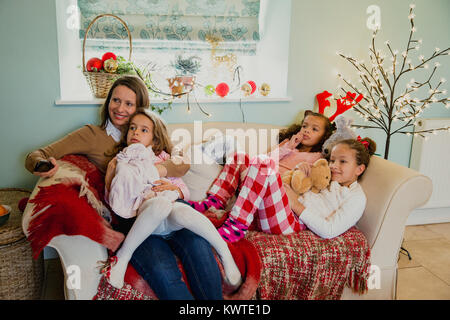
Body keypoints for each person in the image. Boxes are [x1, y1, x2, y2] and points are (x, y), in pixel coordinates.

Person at [25, 75, 224, 300]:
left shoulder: (149, 130)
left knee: (200, 252)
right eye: (115, 100)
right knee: (162, 270)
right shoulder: (92, 134)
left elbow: (182, 162)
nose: (120, 108)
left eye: (129, 104)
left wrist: (163, 176)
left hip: (171, 209)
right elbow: (37, 154)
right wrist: (41, 164)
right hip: (135, 218)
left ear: (140, 107)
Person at [104, 110, 241, 290]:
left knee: (182, 211)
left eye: (144, 130)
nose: (135, 132)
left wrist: (175, 190)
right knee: (160, 205)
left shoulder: (164, 159)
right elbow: (114, 198)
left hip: (171, 215)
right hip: (146, 216)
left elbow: (183, 189)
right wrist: (113, 177)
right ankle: (123, 257)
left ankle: (224, 252)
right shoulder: (121, 160)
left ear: (154, 140)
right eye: (132, 128)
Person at [187, 110, 335, 242]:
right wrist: (288, 147)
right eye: (305, 126)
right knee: (239, 157)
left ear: (324, 137)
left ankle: (237, 225)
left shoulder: (318, 158)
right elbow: (265, 159)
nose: (307, 131)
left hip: (279, 199)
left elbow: (309, 185)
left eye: (314, 129)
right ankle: (215, 201)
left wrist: (301, 170)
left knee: (263, 163)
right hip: (258, 188)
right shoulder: (288, 145)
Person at [285, 137, 376, 239]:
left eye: (342, 161)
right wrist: (300, 169)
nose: (333, 165)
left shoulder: (356, 197)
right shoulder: (327, 177)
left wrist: (295, 204)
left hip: (295, 218)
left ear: (359, 169)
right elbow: (302, 182)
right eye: (332, 160)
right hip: (288, 203)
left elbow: (329, 230)